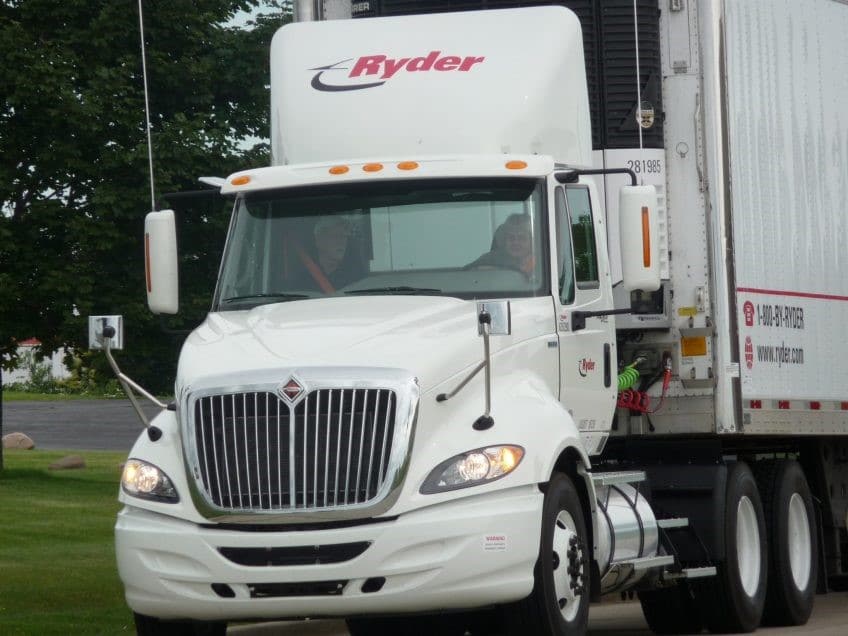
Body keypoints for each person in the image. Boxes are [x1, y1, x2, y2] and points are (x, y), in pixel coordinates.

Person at [286, 216, 362, 293]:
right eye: (336, 236)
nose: (342, 242)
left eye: (344, 236)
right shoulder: (302, 277)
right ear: (319, 241)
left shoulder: (356, 273)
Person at [466, 213, 535, 275]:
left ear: (532, 241)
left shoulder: (541, 262)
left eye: (521, 238)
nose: (515, 242)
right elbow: (465, 272)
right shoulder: (490, 259)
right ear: (504, 241)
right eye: (511, 238)